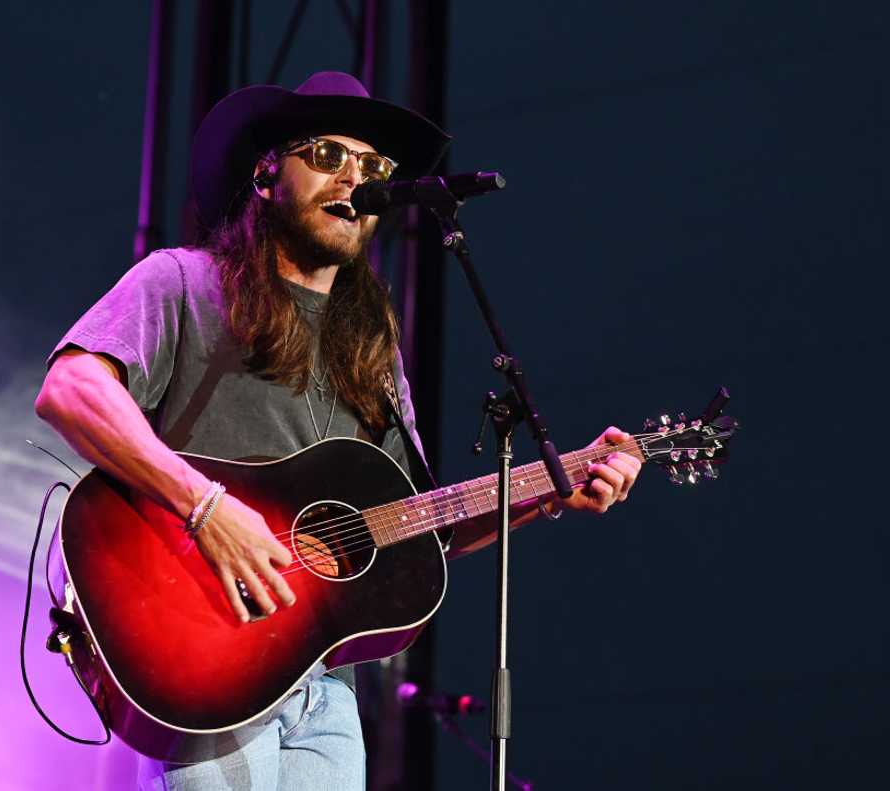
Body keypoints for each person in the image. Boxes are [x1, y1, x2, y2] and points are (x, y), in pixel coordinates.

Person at [35, 71, 641, 791]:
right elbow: (69, 388)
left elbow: (422, 526)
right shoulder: (182, 283)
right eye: (327, 156)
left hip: (324, 684)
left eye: (374, 167)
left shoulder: (373, 346)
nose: (355, 178)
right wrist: (207, 505)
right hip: (207, 654)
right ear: (266, 175)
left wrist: (548, 490)